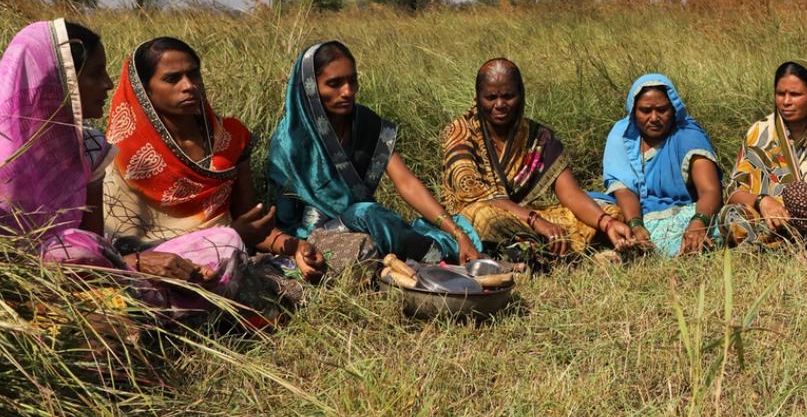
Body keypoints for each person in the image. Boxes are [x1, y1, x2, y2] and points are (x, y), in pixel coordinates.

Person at [0, 21, 242, 310]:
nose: (108, 84)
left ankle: (150, 306)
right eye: (94, 74)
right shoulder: (6, 156)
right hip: (34, 285)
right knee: (73, 247)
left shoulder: (89, 147)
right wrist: (136, 263)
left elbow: (98, 245)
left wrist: (144, 265)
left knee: (225, 243)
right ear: (57, 81)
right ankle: (165, 309)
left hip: (102, 276)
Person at [103, 37, 314, 302]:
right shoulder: (122, 155)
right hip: (164, 270)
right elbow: (117, 253)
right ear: (145, 90)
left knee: (354, 245)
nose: (189, 86)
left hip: (232, 254)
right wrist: (231, 236)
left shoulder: (229, 138)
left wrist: (294, 246)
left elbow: (252, 227)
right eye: (172, 79)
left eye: (193, 74)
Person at [267, 41, 482, 264]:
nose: (348, 92)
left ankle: (452, 248)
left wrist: (456, 231)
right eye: (334, 84)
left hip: (364, 223)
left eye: (352, 81)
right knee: (368, 214)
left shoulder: (365, 123)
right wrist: (300, 247)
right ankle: (436, 257)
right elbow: (283, 218)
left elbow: (406, 182)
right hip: (311, 238)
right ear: (310, 87)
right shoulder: (289, 141)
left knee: (375, 217)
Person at [441, 58, 637, 262]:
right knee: (487, 219)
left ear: (521, 95)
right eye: (490, 97)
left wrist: (606, 222)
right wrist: (536, 221)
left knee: (609, 212)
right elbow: (478, 197)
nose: (500, 105)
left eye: (508, 96)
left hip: (523, 217)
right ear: (478, 97)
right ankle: (555, 254)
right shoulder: (459, 133)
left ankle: (544, 251)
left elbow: (570, 193)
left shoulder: (538, 137)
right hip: (475, 217)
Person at [718, 60, 807, 249]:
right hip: (769, 219)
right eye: (780, 94)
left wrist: (801, 202)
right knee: (730, 215)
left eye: (795, 94)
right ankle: (780, 245)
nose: (786, 101)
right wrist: (763, 201)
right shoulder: (759, 132)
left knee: (797, 194)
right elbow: (734, 190)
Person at [590, 74, 721, 257]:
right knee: (588, 208)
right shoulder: (621, 134)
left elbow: (710, 191)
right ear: (633, 111)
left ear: (673, 109)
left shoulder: (687, 135)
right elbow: (623, 189)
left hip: (680, 213)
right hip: (629, 213)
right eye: (645, 110)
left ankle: (631, 250)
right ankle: (631, 244)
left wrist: (699, 221)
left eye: (662, 110)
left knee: (730, 218)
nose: (654, 118)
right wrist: (635, 223)